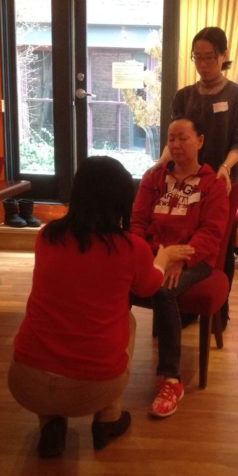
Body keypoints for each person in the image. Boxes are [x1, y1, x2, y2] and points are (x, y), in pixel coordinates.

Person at [7, 156, 187, 458]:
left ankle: (50, 423)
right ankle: (107, 419)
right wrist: (164, 257)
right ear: (121, 200)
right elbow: (149, 286)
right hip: (92, 389)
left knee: (54, 322)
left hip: (25, 382)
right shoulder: (131, 248)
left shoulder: (46, 237)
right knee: (127, 322)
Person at [131, 117, 229, 418]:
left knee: (163, 290)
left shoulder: (212, 184)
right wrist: (155, 255)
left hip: (195, 259)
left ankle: (171, 379)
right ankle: (107, 359)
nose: (175, 145)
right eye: (171, 139)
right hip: (155, 253)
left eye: (182, 138)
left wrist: (180, 257)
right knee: (114, 281)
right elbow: (137, 223)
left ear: (199, 141)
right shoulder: (154, 179)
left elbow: (212, 233)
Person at [158, 26, 238, 329]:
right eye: (197, 57)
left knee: (220, 246)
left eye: (209, 57)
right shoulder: (184, 95)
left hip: (223, 182)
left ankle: (217, 313)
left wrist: (224, 168)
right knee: (184, 238)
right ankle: (184, 308)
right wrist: (160, 163)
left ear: (223, 55)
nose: (202, 64)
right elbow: (174, 139)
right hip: (187, 178)